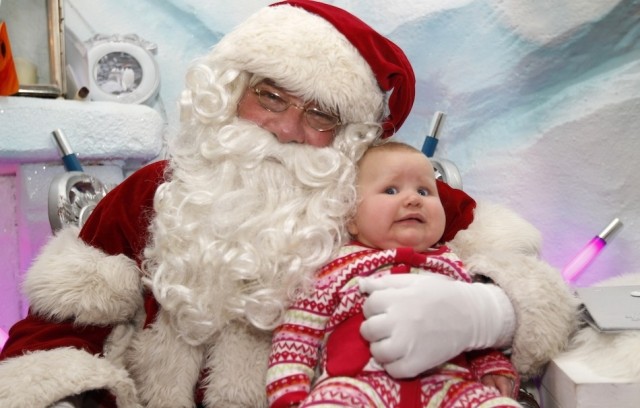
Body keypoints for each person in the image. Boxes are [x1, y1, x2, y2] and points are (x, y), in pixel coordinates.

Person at [0, 1, 577, 407]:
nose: (285, 128)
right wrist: (69, 398)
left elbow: (532, 284)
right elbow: (54, 331)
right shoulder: (152, 191)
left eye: (320, 114)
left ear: (347, 133)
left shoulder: (378, 194)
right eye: (270, 97)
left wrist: (486, 312)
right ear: (232, 91)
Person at [266, 142, 521, 408]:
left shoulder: (454, 264)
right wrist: (289, 395)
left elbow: (472, 332)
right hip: (356, 384)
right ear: (351, 218)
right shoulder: (333, 266)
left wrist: (492, 366)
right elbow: (298, 334)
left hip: (447, 384)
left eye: (424, 191)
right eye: (391, 190)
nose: (413, 199)